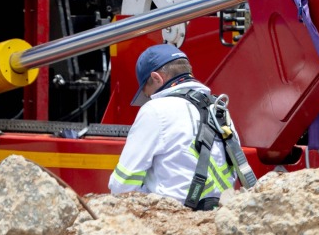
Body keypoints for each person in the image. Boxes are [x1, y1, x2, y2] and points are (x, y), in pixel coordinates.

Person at [109, 44, 256, 209]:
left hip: (175, 220)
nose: (149, 98)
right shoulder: (218, 109)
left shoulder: (155, 110)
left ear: (157, 78)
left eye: (147, 92)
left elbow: (122, 185)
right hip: (220, 215)